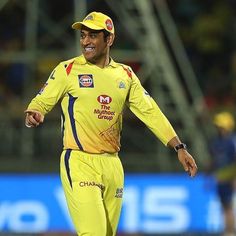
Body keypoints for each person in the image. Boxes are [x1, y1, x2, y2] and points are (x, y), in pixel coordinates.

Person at [24, 11, 198, 236]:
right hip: (79, 161)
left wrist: (179, 147)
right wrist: (34, 112)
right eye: (83, 35)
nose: (85, 41)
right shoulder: (67, 70)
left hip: (113, 165)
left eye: (93, 36)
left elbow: (150, 111)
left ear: (110, 39)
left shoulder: (125, 75)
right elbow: (42, 100)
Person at [209, 111, 236, 236]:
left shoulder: (232, 142)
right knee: (224, 206)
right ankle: (227, 230)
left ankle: (230, 231)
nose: (219, 129)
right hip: (220, 180)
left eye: (221, 126)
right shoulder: (217, 142)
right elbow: (215, 161)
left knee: (229, 206)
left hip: (229, 180)